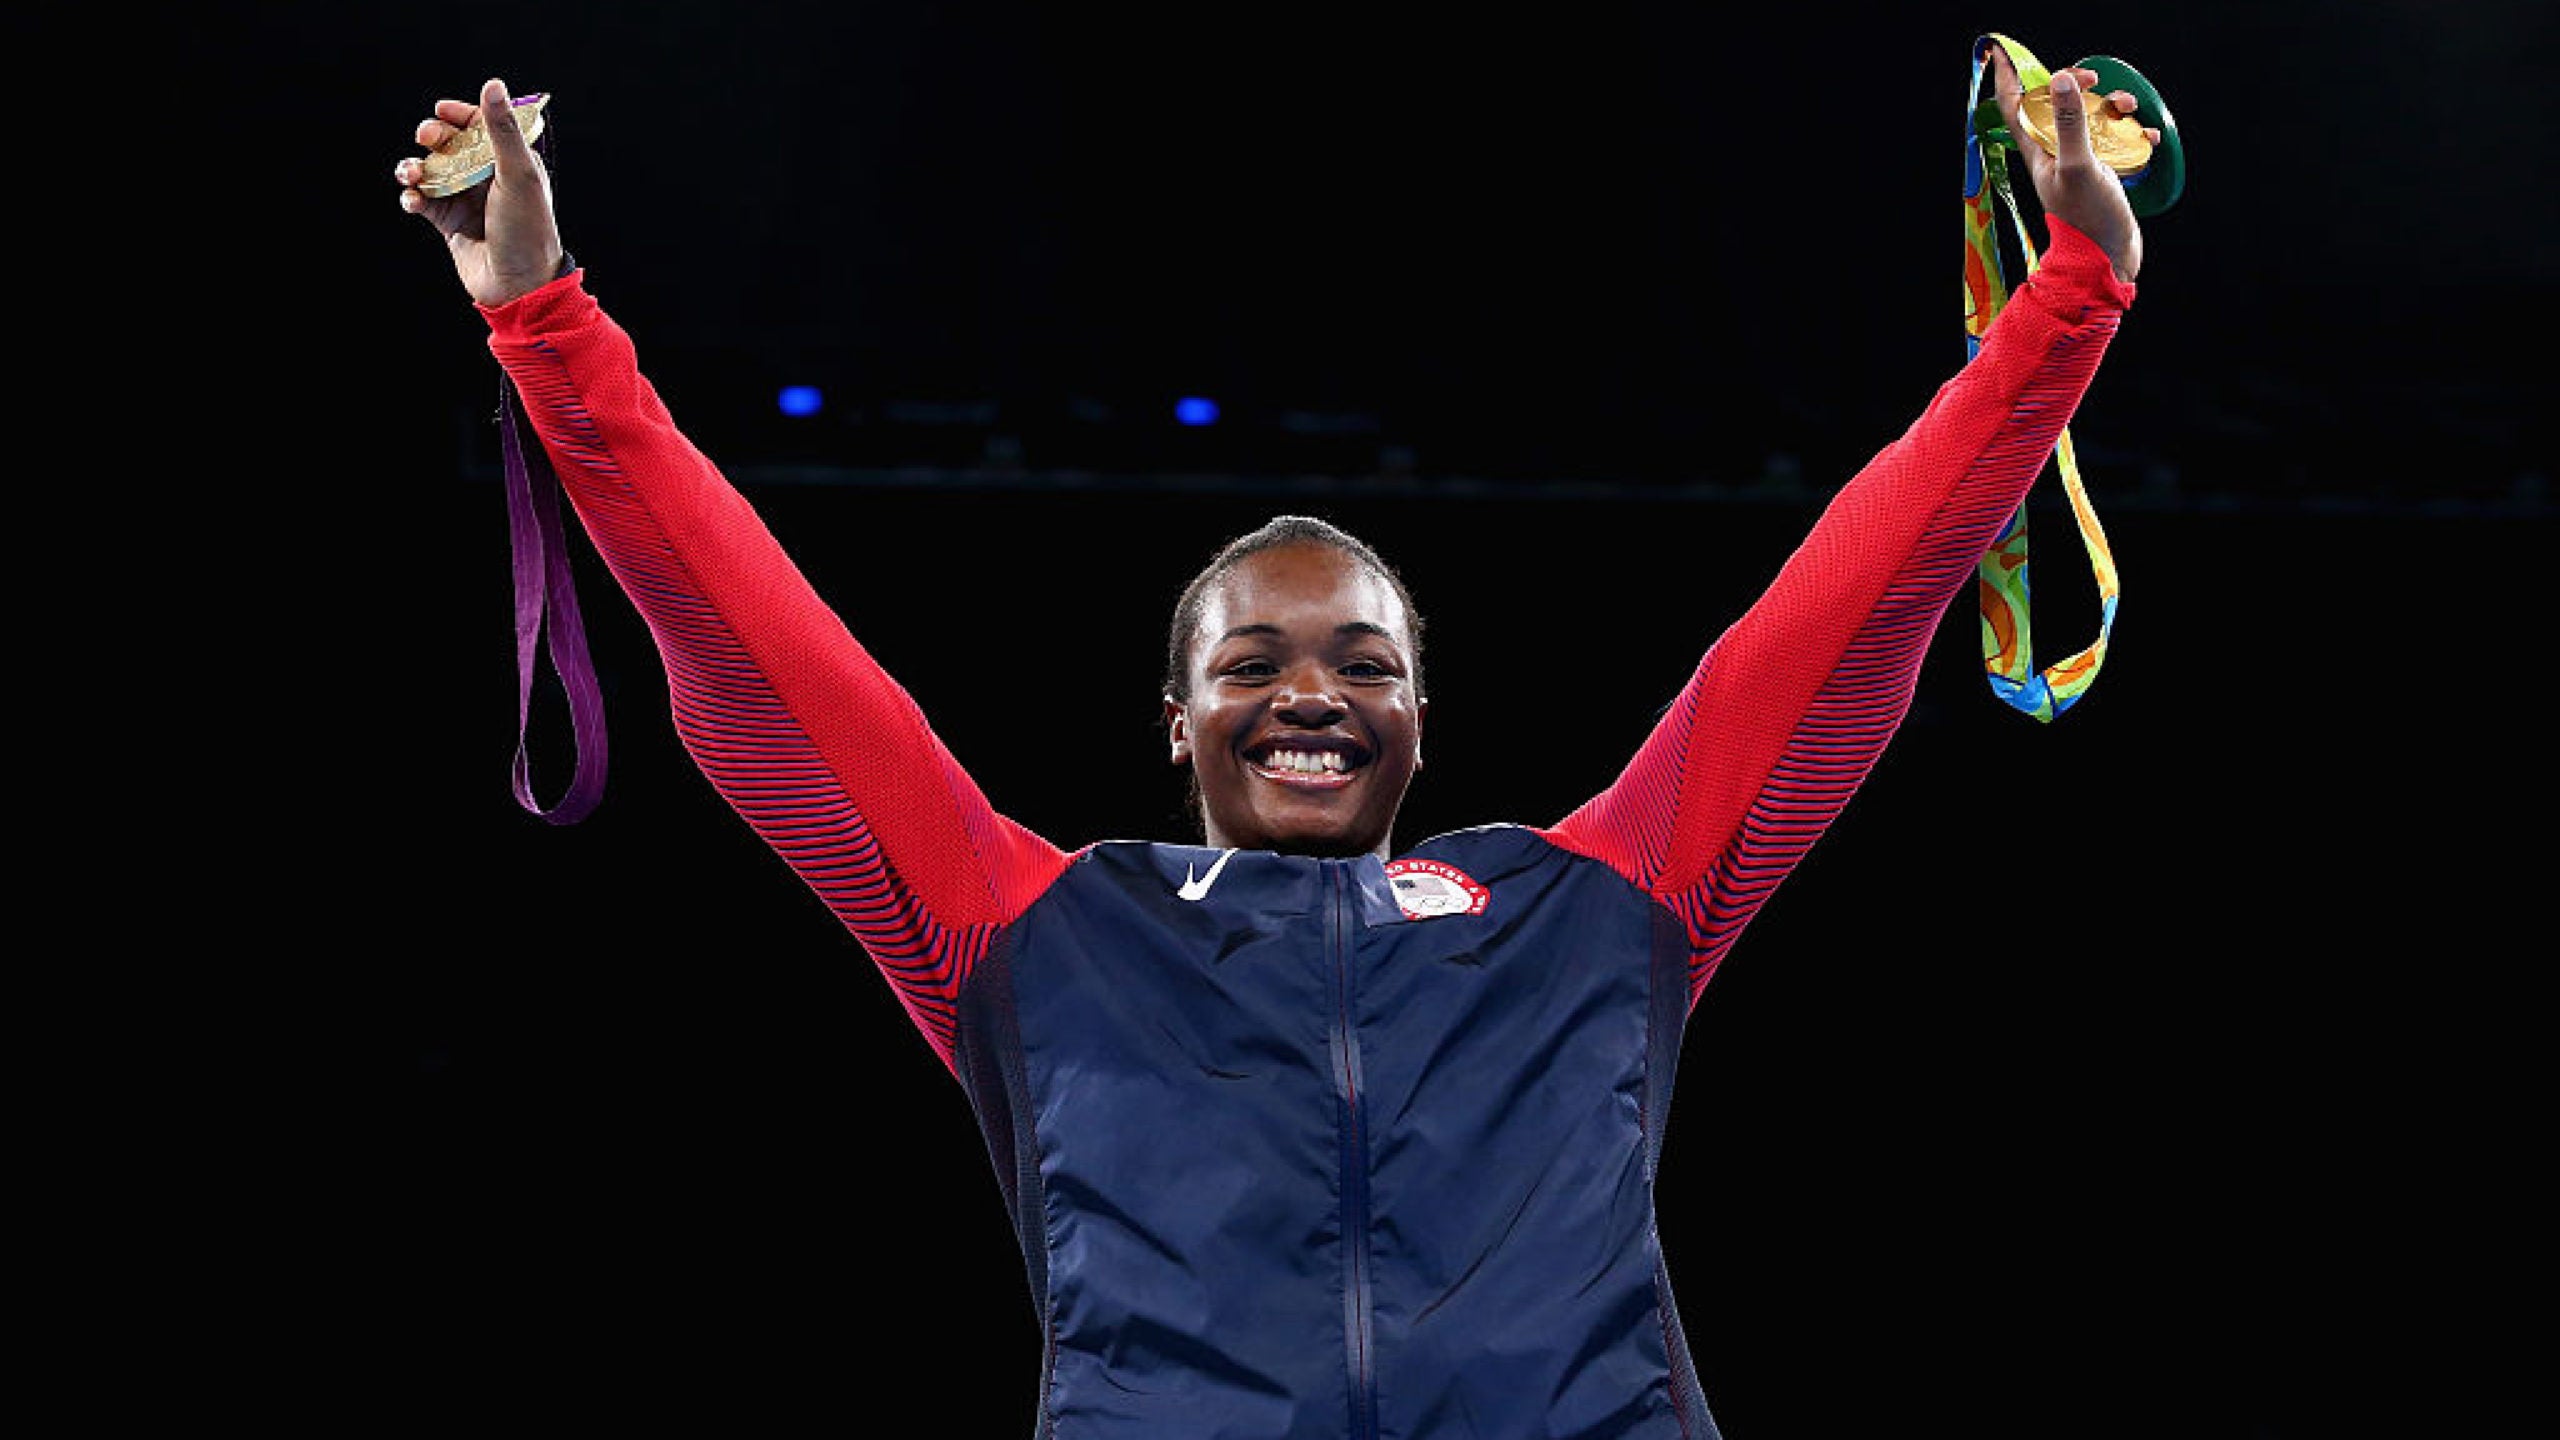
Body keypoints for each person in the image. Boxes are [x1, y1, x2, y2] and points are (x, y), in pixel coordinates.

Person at [395, 48, 2148, 1439]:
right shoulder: (1039, 929)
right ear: (1177, 722)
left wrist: (2070, 300)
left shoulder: (1598, 903)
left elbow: (1847, 613)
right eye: (1254, 662)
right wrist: (543, 318)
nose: (1311, 691)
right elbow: (759, 652)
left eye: (1362, 664)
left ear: (1417, 718)